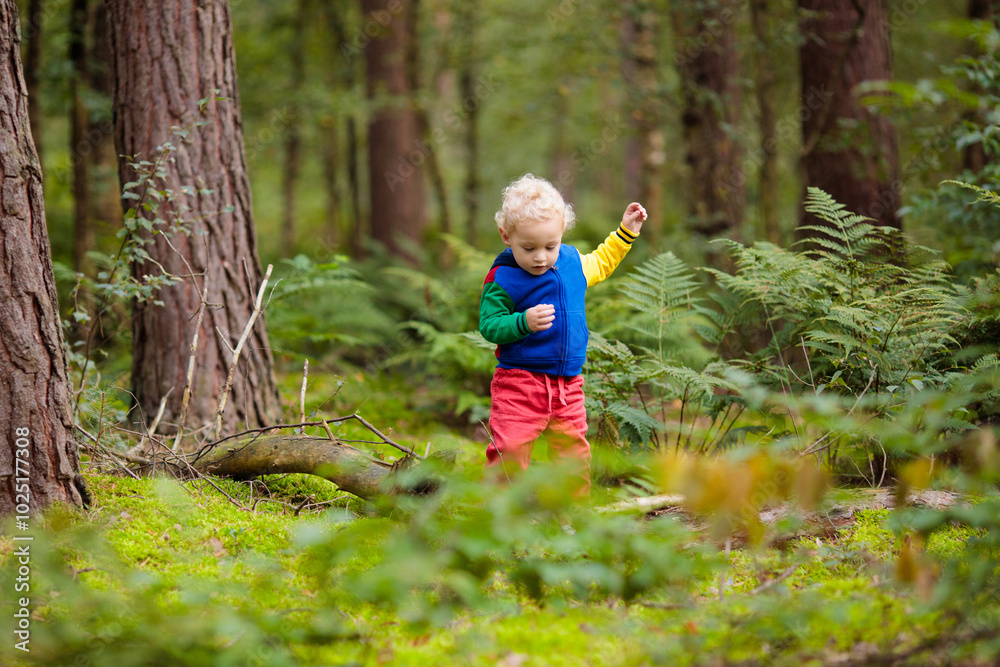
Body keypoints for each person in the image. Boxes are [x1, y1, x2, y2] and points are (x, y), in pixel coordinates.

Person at [479, 174, 646, 496]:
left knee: (572, 454)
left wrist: (627, 231)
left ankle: (572, 518)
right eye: (528, 248)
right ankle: (496, 516)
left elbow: (601, 261)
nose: (540, 256)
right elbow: (490, 326)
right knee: (509, 450)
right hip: (520, 381)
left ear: (561, 236)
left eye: (550, 246)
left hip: (569, 384)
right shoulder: (502, 279)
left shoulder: (570, 262)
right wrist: (522, 322)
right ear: (506, 236)